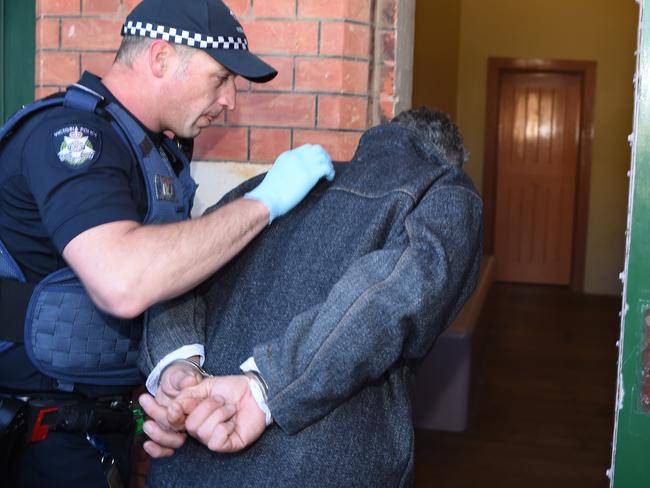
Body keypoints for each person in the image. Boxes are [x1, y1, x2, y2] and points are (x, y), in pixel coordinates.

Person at [0, 0, 334, 486]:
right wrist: (265, 203)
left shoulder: (149, 151)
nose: (230, 101)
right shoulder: (71, 139)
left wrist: (168, 377)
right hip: (31, 441)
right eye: (220, 78)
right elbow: (122, 281)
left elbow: (154, 291)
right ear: (160, 58)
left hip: (95, 431)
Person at [138, 107, 483, 487]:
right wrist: (265, 386)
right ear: (450, 161)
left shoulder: (274, 181)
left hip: (187, 464)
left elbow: (180, 271)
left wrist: (179, 365)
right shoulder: (445, 190)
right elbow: (389, 299)